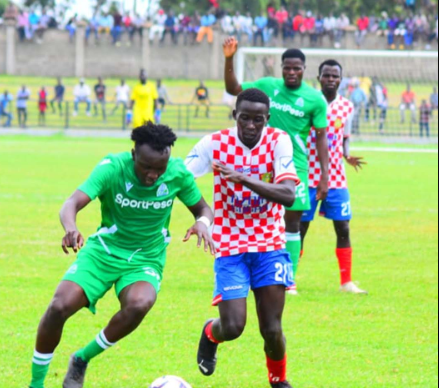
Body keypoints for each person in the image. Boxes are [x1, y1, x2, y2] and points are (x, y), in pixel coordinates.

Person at [28, 123, 215, 388]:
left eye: (159, 169)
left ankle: (81, 359)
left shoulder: (177, 173)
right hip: (103, 252)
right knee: (59, 306)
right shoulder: (112, 167)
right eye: (146, 167)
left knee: (139, 304)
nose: (153, 175)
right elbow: (71, 203)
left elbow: (203, 209)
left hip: (146, 258)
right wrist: (71, 228)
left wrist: (203, 224)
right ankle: (35, 385)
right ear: (133, 154)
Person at [186, 88, 299, 388]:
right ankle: (211, 333)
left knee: (272, 329)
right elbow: (180, 177)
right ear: (235, 115)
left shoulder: (278, 141)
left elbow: (288, 194)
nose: (251, 126)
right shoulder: (215, 143)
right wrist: (201, 217)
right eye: (245, 118)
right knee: (234, 326)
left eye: (258, 120)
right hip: (229, 245)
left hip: (270, 245)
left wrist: (244, 178)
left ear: (267, 119)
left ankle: (279, 382)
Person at [223, 37, 329, 295]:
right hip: (261, 163)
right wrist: (228, 58)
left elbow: (321, 138)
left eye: (297, 68)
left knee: (292, 223)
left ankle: (288, 279)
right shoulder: (267, 86)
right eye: (287, 68)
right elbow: (234, 88)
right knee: (256, 218)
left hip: (295, 166)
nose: (291, 72)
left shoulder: (315, 99)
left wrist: (325, 176)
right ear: (281, 67)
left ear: (304, 69)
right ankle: (252, 270)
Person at [301, 60, 368, 295]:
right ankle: (288, 283)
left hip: (337, 177)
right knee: (300, 228)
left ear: (341, 79)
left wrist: (347, 155)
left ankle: (346, 282)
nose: (331, 79)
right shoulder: (309, 102)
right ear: (319, 77)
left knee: (343, 228)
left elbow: (344, 137)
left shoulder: (347, 107)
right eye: (326, 75)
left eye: (335, 76)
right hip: (307, 176)